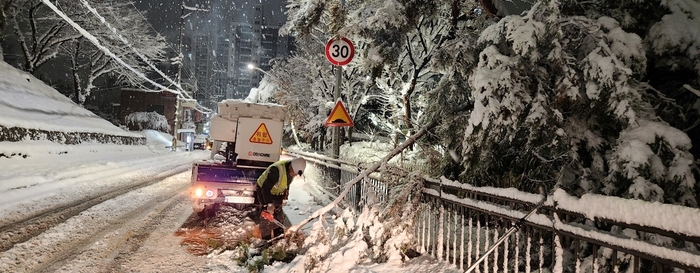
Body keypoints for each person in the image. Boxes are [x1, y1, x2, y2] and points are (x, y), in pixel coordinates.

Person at [256, 157, 306, 239]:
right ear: (290, 167)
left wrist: (285, 195)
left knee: (279, 216)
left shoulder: (293, 170)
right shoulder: (276, 171)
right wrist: (269, 204)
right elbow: (265, 188)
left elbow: (286, 183)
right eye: (294, 173)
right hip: (264, 190)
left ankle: (278, 238)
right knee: (267, 216)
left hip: (276, 192)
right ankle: (266, 240)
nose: (295, 175)